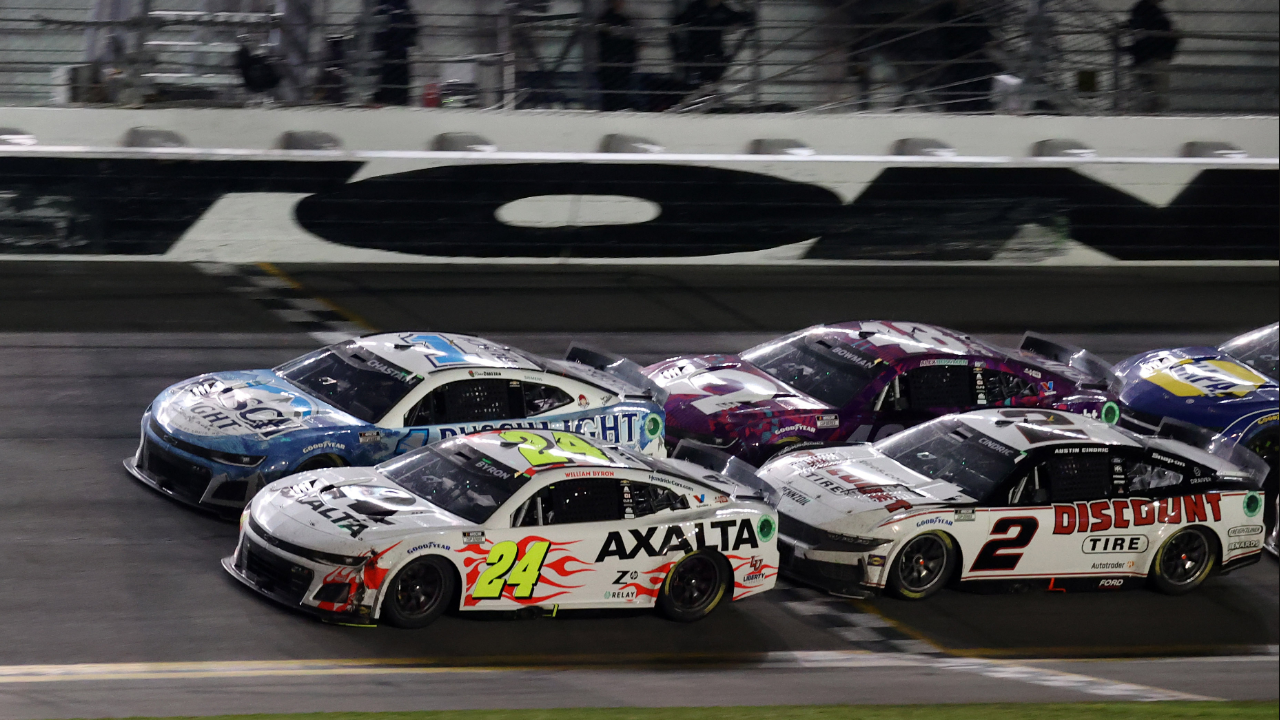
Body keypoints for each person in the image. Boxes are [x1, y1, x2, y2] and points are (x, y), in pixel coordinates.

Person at [671, 0, 754, 87]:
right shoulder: (696, 8)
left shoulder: (722, 10)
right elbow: (676, 25)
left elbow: (737, 17)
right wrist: (679, 52)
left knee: (710, 85)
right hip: (696, 56)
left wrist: (747, 18)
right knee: (695, 86)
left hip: (715, 57)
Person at [1127, 0, 1178, 113]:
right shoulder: (1153, 13)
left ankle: (1145, 117)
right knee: (1157, 97)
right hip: (1155, 58)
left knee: (1145, 95)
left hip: (1145, 59)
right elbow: (1158, 36)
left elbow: (1140, 33)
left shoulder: (1142, 11)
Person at [372, 0, 419, 105]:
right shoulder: (400, 6)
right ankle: (396, 102)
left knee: (390, 84)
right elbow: (413, 27)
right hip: (395, 51)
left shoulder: (384, 6)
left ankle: (390, 101)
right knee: (397, 85)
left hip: (390, 52)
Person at [597, 0, 639, 111]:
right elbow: (610, 41)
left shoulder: (622, 19)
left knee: (619, 94)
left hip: (621, 63)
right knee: (613, 94)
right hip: (613, 63)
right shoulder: (607, 19)